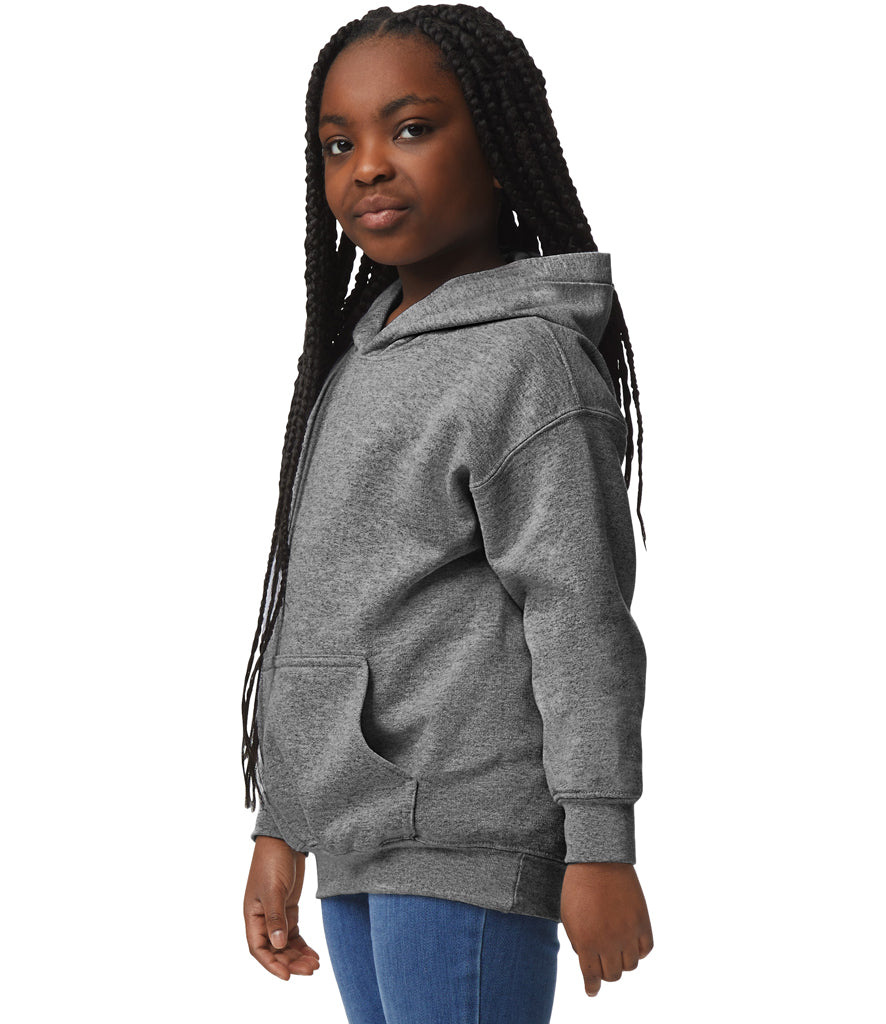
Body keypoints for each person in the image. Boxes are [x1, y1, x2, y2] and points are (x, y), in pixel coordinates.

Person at [241, 5, 654, 1021]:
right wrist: (281, 824)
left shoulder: (527, 361)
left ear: (501, 148)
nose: (369, 167)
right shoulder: (357, 357)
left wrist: (600, 845)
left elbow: (579, 616)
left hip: (469, 836)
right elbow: (320, 606)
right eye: (339, 144)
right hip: (359, 832)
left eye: (412, 128)